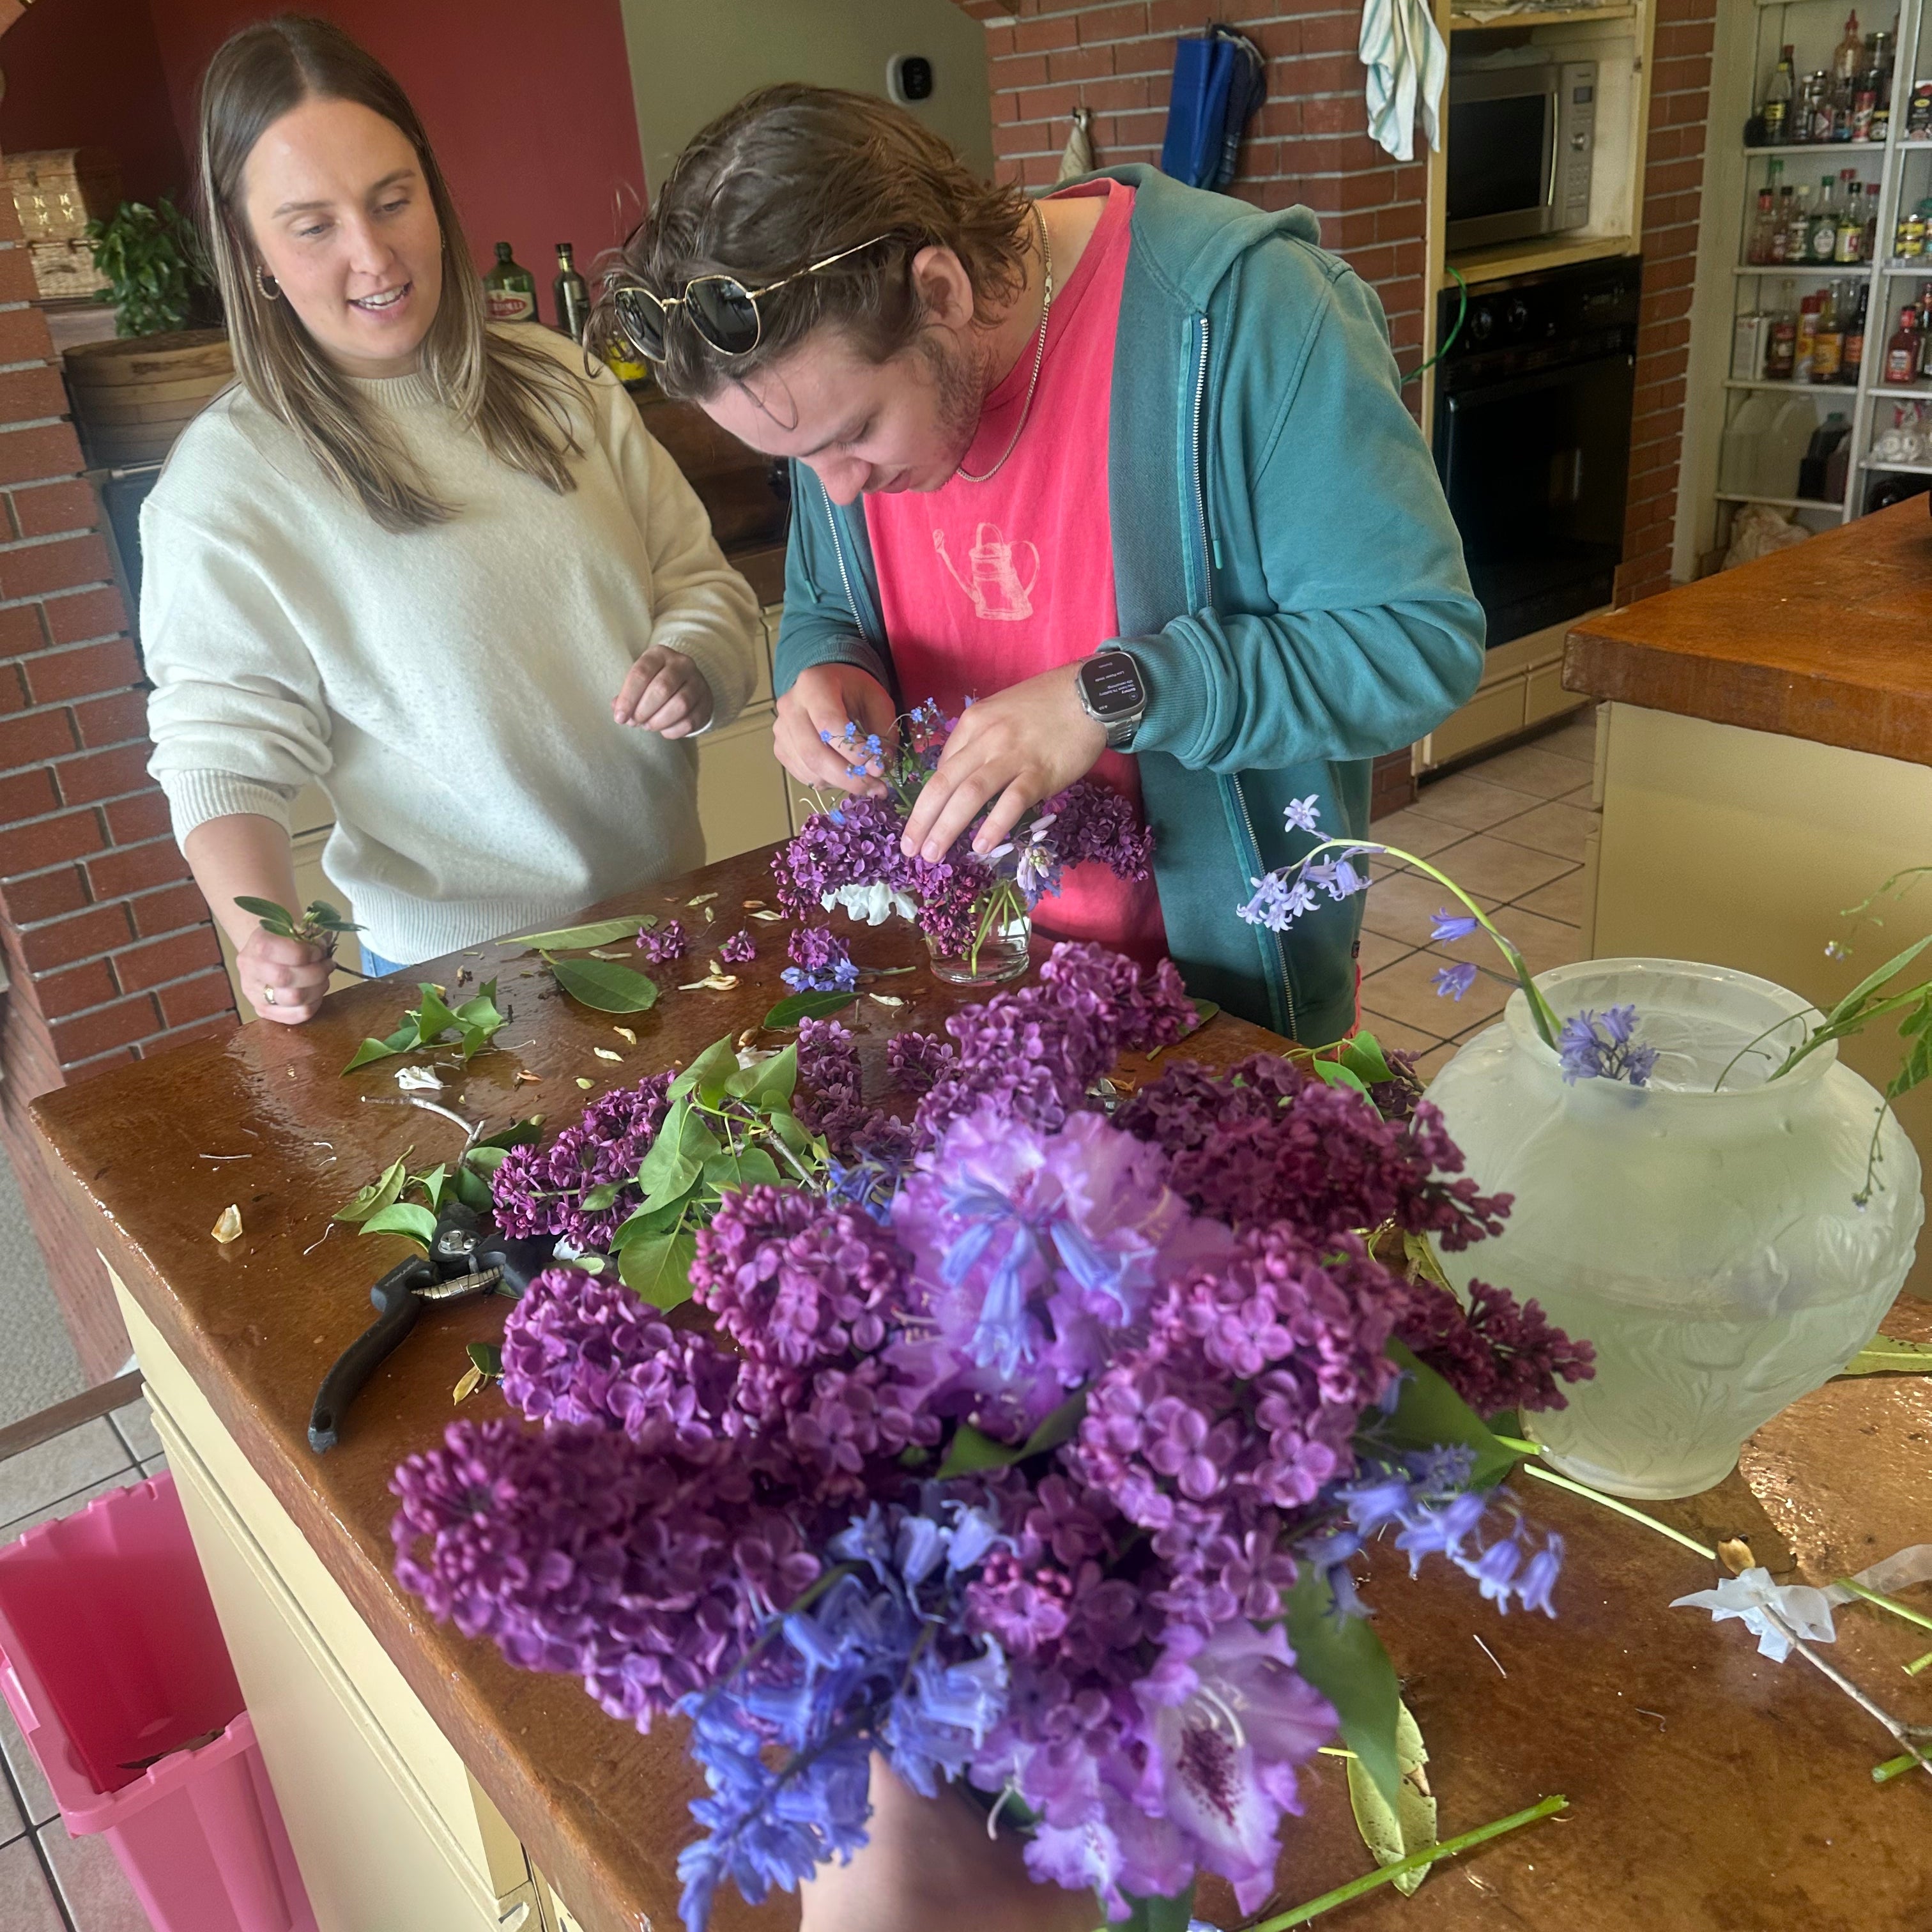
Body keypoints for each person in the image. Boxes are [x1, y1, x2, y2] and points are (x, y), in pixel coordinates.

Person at [607, 84, 1483, 1048]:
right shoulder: (821, 386)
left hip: (1224, 1014)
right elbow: (828, 602)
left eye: (855, 434)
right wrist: (828, 668)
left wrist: (1111, 691)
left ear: (939, 291)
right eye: (799, 461)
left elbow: (1419, 644)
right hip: (959, 994)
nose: (837, 491)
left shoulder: (1250, 312)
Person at [142, 16, 762, 1023]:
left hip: (673, 922)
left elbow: (704, 590)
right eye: (313, 226)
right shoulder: (225, 487)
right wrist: (264, 933)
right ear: (250, 250)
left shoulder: (567, 383)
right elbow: (220, 754)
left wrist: (695, 661)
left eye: (394, 201)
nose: (374, 254)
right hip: (459, 988)